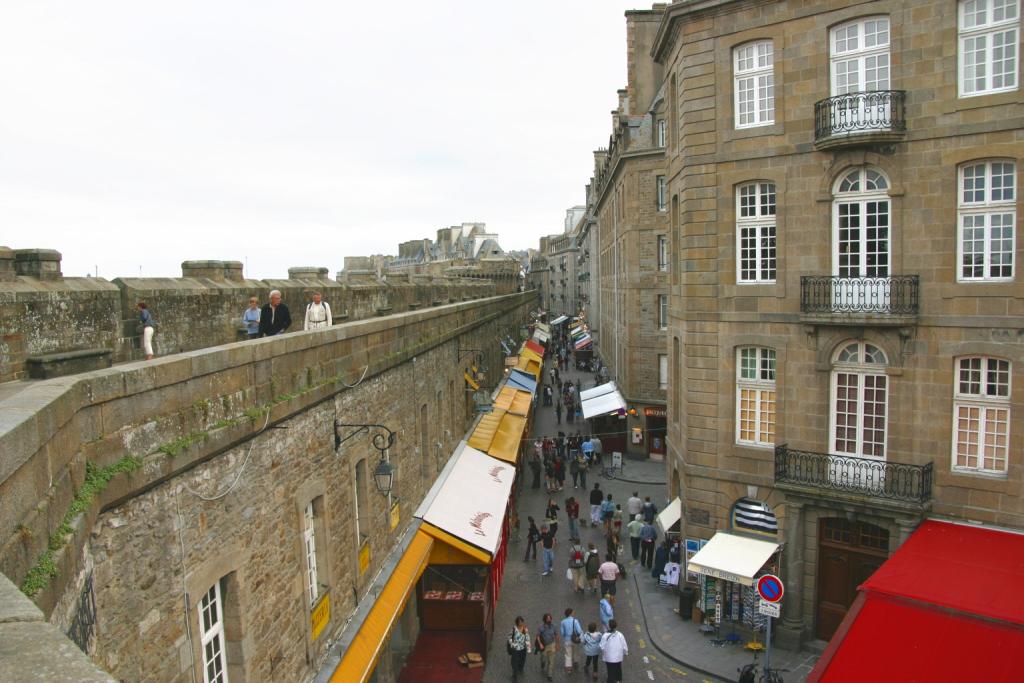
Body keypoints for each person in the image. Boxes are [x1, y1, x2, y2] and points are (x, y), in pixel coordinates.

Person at [559, 608, 584, 675]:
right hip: (575, 639)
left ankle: (568, 668)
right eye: (573, 612)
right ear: (570, 613)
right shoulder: (575, 621)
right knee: (576, 651)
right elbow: (579, 631)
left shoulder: (562, 622)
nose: (574, 613)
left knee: (568, 654)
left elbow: (562, 633)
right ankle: (576, 661)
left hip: (567, 640)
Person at [508, 616, 531, 681]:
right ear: (517, 622)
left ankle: (520, 668)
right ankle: (514, 675)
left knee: (522, 660)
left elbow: (527, 638)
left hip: (523, 648)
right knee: (515, 662)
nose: (521, 623)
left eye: (522, 622)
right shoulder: (514, 629)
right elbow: (509, 637)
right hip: (515, 649)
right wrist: (512, 644)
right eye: (519, 622)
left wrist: (528, 648)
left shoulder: (525, 629)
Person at [536, 613, 557, 681]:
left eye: (550, 618)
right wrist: (540, 644)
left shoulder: (554, 626)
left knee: (551, 661)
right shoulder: (541, 627)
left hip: (552, 645)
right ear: (544, 619)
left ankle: (549, 675)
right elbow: (538, 636)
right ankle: (542, 662)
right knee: (543, 657)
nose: (549, 619)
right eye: (548, 618)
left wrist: (557, 644)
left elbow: (556, 635)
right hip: (544, 646)